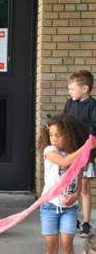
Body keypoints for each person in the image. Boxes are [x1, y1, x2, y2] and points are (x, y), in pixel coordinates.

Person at [37, 114, 96, 254]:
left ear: (70, 136)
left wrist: (76, 196)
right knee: (51, 247)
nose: (54, 139)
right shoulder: (49, 151)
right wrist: (86, 147)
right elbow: (65, 162)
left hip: (69, 209)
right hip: (49, 207)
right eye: (51, 135)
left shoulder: (78, 156)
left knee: (67, 247)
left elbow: (79, 180)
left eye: (58, 135)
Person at [63, 69, 96, 237]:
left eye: (72, 89)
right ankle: (72, 218)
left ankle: (86, 223)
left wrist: (77, 127)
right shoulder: (69, 103)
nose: (69, 93)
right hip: (70, 153)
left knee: (83, 187)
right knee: (70, 186)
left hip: (86, 155)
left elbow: (94, 127)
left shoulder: (93, 105)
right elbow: (64, 122)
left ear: (85, 88)